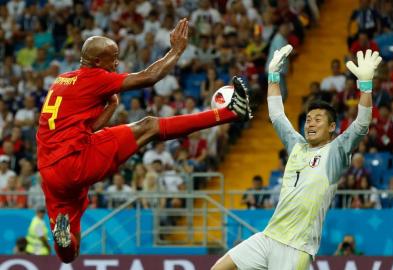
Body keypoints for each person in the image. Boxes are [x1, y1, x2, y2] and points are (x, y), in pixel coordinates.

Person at [36, 18, 252, 263]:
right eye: (113, 56)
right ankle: (230, 112)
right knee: (149, 126)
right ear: (97, 62)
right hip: (75, 159)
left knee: (70, 252)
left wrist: (112, 106)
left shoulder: (62, 80)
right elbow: (150, 77)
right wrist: (176, 50)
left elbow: (90, 127)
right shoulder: (93, 77)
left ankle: (60, 237)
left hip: (50, 171)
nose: (117, 62)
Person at [211, 46, 381, 270]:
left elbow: (361, 125)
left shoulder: (337, 152)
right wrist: (273, 75)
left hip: (296, 247)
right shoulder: (297, 146)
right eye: (308, 119)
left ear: (332, 127)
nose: (310, 123)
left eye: (318, 119)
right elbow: (277, 114)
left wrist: (366, 87)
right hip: (269, 236)